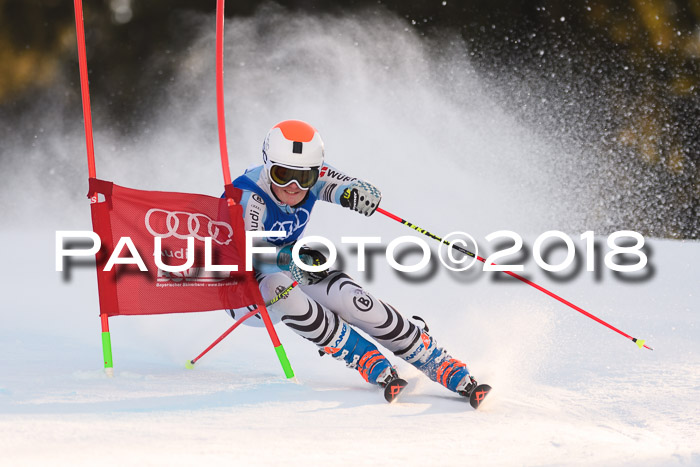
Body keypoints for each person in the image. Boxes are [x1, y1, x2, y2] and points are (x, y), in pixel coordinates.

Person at [228, 119, 478, 398]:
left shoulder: (309, 176)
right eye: (282, 174)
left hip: (288, 261)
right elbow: (248, 255)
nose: (294, 186)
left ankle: (434, 358)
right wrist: (288, 259)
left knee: (352, 299)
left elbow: (343, 185)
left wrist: (358, 193)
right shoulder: (249, 197)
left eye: (305, 178)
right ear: (267, 165)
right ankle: (361, 356)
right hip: (241, 287)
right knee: (280, 287)